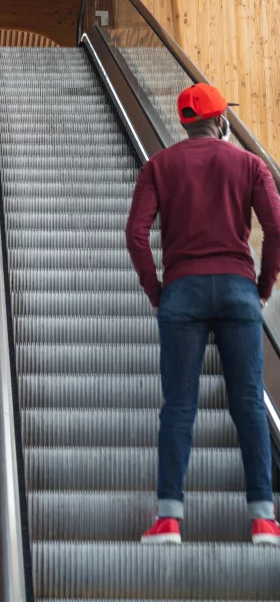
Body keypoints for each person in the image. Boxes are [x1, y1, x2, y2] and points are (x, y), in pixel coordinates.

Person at [125, 82, 280, 546]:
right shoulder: (249, 164)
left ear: (185, 122)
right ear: (222, 123)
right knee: (249, 401)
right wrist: (263, 287)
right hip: (238, 288)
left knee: (178, 405)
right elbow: (276, 228)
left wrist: (157, 289)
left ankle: (169, 519)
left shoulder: (158, 166)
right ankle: (264, 520)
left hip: (181, 291)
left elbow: (135, 234)